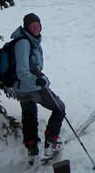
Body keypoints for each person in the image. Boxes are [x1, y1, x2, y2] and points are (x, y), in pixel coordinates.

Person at [11, 13, 66, 160]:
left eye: (38, 25)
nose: (36, 28)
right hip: (30, 86)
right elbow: (22, 71)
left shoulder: (29, 41)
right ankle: (51, 142)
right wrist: (39, 81)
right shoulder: (24, 43)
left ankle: (32, 149)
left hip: (20, 88)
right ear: (26, 27)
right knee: (59, 108)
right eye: (32, 26)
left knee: (29, 114)